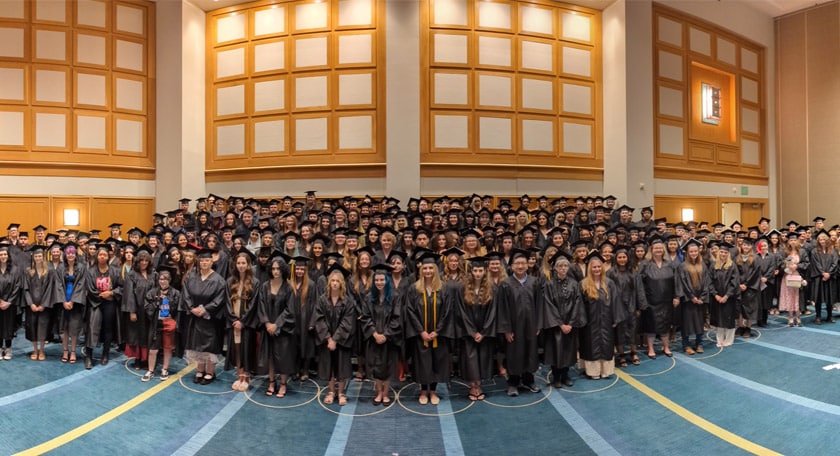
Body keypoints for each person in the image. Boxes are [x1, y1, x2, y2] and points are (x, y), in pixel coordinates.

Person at [404, 251, 455, 405]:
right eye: (425, 268)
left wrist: (437, 331)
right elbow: (410, 311)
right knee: (422, 364)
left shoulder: (443, 288)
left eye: (430, 268)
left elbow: (447, 311)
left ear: (435, 269)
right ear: (421, 270)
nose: (428, 271)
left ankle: (433, 392)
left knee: (437, 363)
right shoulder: (414, 289)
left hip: (438, 335)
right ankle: (423, 391)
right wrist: (421, 331)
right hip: (421, 335)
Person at [496, 248, 542, 396]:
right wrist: (506, 329)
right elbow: (502, 309)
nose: (520, 266)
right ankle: (513, 383)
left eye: (523, 263)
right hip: (514, 327)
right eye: (517, 264)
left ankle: (529, 380)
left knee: (530, 352)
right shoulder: (506, 284)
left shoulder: (534, 282)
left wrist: (538, 325)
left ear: (528, 265)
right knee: (514, 353)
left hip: (530, 325)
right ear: (512, 266)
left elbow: (540, 305)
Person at [182, 247, 229, 385]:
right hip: (194, 317)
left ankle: (210, 372)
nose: (204, 263)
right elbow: (186, 294)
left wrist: (204, 309)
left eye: (207, 260)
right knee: (197, 345)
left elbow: (220, 299)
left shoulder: (219, 280)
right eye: (202, 260)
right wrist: (192, 308)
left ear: (211, 262)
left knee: (210, 346)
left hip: (210, 319)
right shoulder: (191, 277)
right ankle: (200, 370)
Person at [313, 265, 356, 406]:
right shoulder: (322, 300)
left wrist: (336, 339)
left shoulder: (347, 302)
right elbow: (319, 319)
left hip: (342, 341)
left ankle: (341, 393)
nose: (335, 283)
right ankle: (331, 392)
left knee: (342, 366)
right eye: (332, 281)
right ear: (329, 283)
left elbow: (347, 322)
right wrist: (328, 338)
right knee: (329, 366)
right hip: (327, 340)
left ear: (342, 283)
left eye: (338, 281)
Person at [542, 250, 586, 388]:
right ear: (555, 268)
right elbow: (548, 305)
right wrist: (560, 324)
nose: (563, 269)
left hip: (570, 325)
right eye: (560, 266)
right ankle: (556, 377)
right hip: (556, 326)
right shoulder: (549, 285)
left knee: (568, 351)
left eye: (565, 266)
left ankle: (566, 375)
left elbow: (577, 304)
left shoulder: (574, 284)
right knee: (556, 352)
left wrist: (571, 323)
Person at [360, 264, 402, 406]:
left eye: (382, 280)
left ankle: (386, 393)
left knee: (388, 367)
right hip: (374, 339)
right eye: (376, 280)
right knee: (376, 366)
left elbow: (397, 318)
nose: (379, 282)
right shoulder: (369, 297)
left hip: (389, 339)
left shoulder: (395, 297)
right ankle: (378, 392)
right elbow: (365, 317)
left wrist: (386, 334)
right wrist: (374, 333)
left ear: (387, 280)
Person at [256, 255, 297, 398]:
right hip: (268, 329)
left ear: (283, 270)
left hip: (283, 330)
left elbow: (289, 310)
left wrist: (277, 324)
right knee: (270, 358)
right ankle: (272, 382)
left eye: (278, 269)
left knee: (283, 358)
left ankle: (283, 384)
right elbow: (260, 306)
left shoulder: (288, 288)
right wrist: (267, 323)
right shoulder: (264, 286)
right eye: (273, 269)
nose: (275, 271)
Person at [578, 251, 623, 380]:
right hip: (590, 321)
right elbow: (580, 304)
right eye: (594, 267)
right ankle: (593, 371)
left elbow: (615, 301)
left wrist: (615, 318)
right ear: (589, 268)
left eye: (599, 267)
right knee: (591, 345)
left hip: (607, 320)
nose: (597, 269)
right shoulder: (583, 284)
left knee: (607, 344)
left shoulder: (609, 283)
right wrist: (582, 320)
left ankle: (605, 370)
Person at [458, 256, 496, 400]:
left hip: (484, 332)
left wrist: (484, 332)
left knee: (481, 359)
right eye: (475, 270)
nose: (478, 273)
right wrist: (473, 332)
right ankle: (472, 387)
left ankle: (479, 385)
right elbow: (461, 312)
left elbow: (493, 311)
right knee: (471, 360)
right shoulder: (463, 288)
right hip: (469, 333)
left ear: (484, 271)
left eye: (480, 270)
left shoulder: (490, 288)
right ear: (471, 271)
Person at [638, 236, 678, 359]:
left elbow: (675, 281)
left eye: (660, 248)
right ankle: (651, 349)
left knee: (666, 325)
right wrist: (642, 301)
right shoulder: (645, 264)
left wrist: (676, 296)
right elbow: (639, 284)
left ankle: (666, 347)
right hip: (651, 301)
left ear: (663, 249)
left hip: (666, 301)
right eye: (656, 248)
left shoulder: (669, 264)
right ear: (651, 249)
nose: (658, 250)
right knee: (651, 326)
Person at [84, 243, 123, 369]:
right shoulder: (90, 271)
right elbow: (90, 288)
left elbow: (121, 287)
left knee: (108, 329)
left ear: (108, 256)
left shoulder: (115, 271)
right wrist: (103, 295)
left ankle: (105, 354)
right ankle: (89, 356)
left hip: (110, 303)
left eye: (104, 254)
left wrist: (111, 293)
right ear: (97, 256)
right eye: (100, 254)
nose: (102, 256)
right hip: (94, 303)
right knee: (91, 328)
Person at [225, 251, 259, 391]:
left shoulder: (255, 282)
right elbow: (227, 301)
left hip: (247, 323)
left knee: (246, 349)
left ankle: (246, 377)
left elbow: (253, 304)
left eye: (243, 263)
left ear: (248, 265)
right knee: (237, 350)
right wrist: (234, 320)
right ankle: (239, 376)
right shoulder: (230, 281)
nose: (241, 265)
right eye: (238, 263)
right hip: (234, 323)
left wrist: (243, 321)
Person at [143, 266, 183, 381]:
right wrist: (157, 302)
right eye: (160, 279)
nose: (162, 281)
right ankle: (150, 370)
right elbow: (147, 308)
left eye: (165, 279)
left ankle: (165, 369)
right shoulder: (152, 292)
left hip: (169, 322)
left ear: (169, 280)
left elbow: (178, 310)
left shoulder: (175, 293)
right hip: (156, 323)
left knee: (167, 348)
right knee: (153, 349)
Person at [24, 244, 61, 360]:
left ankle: (42, 351)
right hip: (32, 306)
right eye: (36, 256)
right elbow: (25, 289)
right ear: (33, 257)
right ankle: (34, 350)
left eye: (40, 256)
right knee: (33, 328)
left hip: (44, 306)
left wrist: (43, 305)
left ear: (43, 257)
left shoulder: (49, 272)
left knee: (43, 328)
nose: (38, 258)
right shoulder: (28, 271)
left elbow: (50, 289)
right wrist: (31, 304)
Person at [123, 246, 156, 370]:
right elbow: (129, 294)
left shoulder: (153, 274)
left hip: (150, 311)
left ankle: (147, 359)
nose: (144, 263)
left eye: (146, 260)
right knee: (137, 335)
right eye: (141, 260)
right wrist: (132, 311)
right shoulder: (131, 274)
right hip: (137, 309)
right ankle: (138, 359)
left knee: (148, 334)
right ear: (137, 261)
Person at [676, 239, 711, 354]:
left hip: (700, 299)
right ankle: (686, 346)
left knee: (699, 323)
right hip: (688, 300)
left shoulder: (703, 265)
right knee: (687, 323)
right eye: (691, 251)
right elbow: (683, 283)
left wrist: (702, 297)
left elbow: (707, 282)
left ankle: (699, 344)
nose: (694, 253)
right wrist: (692, 297)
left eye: (695, 251)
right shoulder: (682, 267)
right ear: (687, 252)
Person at [710, 243, 740, 347]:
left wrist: (727, 296)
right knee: (719, 319)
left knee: (728, 318)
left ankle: (728, 340)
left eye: (725, 252)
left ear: (728, 254)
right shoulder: (713, 265)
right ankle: (720, 340)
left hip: (729, 298)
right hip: (717, 298)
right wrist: (715, 295)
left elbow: (734, 283)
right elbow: (709, 282)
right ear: (718, 253)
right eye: (721, 252)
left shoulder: (732, 266)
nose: (723, 254)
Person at [0, 243, 22, 360]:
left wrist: (8, 302)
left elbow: (17, 287)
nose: (3, 256)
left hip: (10, 304)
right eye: (1, 254)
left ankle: (8, 349)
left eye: (5, 254)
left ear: (8, 256)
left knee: (8, 326)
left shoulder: (15, 270)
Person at [779, 235, 805, 327]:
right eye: (791, 240)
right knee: (789, 296)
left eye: (794, 240)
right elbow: (781, 263)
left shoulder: (801, 251)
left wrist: (797, 266)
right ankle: (790, 317)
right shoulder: (785, 252)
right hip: (788, 275)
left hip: (798, 276)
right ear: (788, 241)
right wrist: (789, 266)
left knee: (797, 297)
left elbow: (806, 263)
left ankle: (798, 317)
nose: (793, 242)